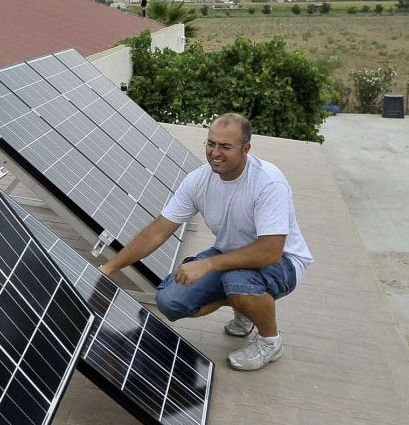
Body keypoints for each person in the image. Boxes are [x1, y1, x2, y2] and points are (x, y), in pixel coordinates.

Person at [99, 113, 312, 372]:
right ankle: (243, 306)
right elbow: (157, 231)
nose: (215, 153)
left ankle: (270, 341)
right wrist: (109, 269)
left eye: (225, 146)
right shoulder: (199, 180)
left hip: (284, 262)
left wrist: (208, 264)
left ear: (246, 148)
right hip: (231, 256)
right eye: (211, 144)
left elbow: (270, 252)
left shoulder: (268, 182)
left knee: (237, 281)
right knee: (170, 301)